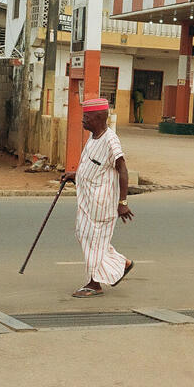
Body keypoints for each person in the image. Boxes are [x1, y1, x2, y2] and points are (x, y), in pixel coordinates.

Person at [60, 98, 134, 298]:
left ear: (100, 117)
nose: (83, 120)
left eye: (87, 116)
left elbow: (123, 169)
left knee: (96, 243)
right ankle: (122, 263)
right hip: (87, 201)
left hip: (103, 203)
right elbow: (95, 166)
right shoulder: (93, 138)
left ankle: (95, 284)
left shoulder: (111, 140)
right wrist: (76, 176)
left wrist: (123, 202)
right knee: (84, 235)